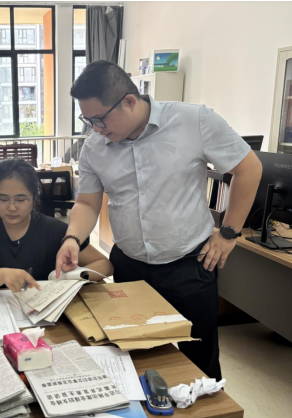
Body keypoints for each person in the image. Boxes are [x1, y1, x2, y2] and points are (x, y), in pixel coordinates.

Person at [56, 60, 262, 381]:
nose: (95, 128)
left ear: (129, 101)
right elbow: (87, 203)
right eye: (88, 120)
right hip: (130, 266)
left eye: (99, 119)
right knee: (138, 357)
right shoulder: (95, 146)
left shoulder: (194, 121)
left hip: (191, 264)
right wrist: (72, 238)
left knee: (200, 361)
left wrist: (228, 233)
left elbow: (248, 168)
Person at [0, 158, 113, 293]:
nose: (11, 207)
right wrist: (4, 275)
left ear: (34, 198)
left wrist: (71, 278)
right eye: (3, 199)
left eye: (20, 200)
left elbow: (104, 265)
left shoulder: (53, 230)